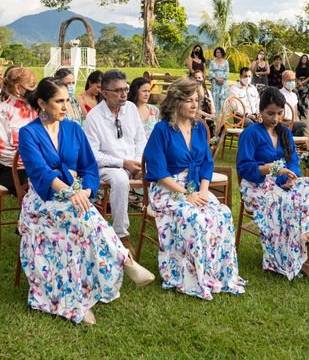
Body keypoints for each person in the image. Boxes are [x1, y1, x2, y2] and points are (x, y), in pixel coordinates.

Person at [18, 78, 153, 326]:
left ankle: (86, 292)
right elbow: (40, 173)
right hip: (43, 199)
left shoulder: (73, 130)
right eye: (59, 101)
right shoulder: (29, 133)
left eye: (67, 100)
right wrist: (70, 189)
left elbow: (89, 167)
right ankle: (113, 270)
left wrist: (88, 192)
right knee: (82, 218)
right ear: (42, 103)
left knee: (81, 216)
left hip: (77, 196)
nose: (65, 106)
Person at [144, 77, 246, 300]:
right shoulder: (162, 130)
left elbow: (207, 163)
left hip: (195, 186)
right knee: (194, 217)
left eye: (197, 100)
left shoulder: (199, 127)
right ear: (175, 102)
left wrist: (202, 190)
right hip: (167, 188)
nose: (194, 105)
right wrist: (185, 195)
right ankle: (189, 274)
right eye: (188, 100)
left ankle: (217, 272)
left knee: (222, 213)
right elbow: (158, 171)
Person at [237, 87, 309, 283]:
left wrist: (292, 178)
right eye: (270, 113)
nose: (275, 118)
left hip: (283, 182)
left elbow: (293, 162)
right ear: (261, 111)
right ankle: (308, 263)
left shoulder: (285, 133)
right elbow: (244, 167)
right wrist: (271, 169)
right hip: (257, 185)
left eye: (279, 113)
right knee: (291, 204)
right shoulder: (250, 133)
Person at [84, 69, 146, 258]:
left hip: (133, 162)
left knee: (162, 169)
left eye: (126, 89)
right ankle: (121, 234)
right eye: (118, 90)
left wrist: (138, 162)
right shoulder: (94, 116)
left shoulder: (131, 109)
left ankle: (164, 223)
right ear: (104, 93)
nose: (124, 94)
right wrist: (122, 163)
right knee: (119, 179)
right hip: (107, 166)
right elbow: (93, 155)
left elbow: (140, 139)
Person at [0, 67, 38, 194]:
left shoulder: (37, 109)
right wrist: (32, 158)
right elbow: (0, 151)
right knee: (41, 181)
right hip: (7, 168)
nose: (35, 90)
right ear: (18, 88)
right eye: (31, 86)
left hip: (35, 164)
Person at [280, 70, 306, 136]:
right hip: (284, 122)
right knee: (304, 125)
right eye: (289, 80)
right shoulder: (280, 94)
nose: (291, 82)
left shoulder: (294, 94)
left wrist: (298, 121)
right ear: (283, 81)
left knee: (303, 128)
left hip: (293, 122)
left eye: (293, 80)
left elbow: (295, 113)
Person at [191, 70, 216, 136]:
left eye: (199, 78)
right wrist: (209, 116)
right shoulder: (192, 92)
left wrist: (213, 116)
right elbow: (196, 110)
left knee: (220, 125)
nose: (197, 80)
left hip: (207, 117)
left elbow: (213, 110)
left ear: (203, 79)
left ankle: (213, 144)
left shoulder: (208, 92)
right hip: (196, 117)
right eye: (195, 78)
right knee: (207, 123)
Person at [208, 46, 229, 114]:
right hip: (215, 81)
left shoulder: (226, 62)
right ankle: (214, 113)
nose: (218, 53)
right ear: (215, 53)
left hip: (223, 82)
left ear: (222, 53)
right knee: (215, 97)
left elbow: (227, 71)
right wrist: (216, 78)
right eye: (217, 52)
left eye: (220, 52)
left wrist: (222, 78)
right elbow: (210, 71)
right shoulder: (212, 62)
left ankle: (222, 114)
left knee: (222, 97)